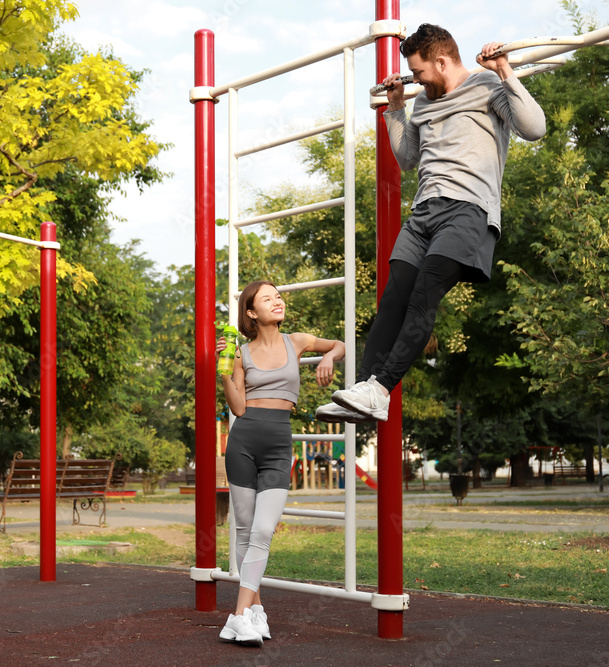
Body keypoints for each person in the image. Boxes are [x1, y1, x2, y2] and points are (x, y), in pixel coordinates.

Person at [316, 23, 546, 424]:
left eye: (420, 72)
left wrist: (505, 70)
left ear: (442, 61)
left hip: (468, 210)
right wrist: (396, 107)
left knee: (424, 296)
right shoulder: (422, 102)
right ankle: (362, 388)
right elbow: (407, 159)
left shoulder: (487, 87)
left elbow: (535, 129)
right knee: (393, 299)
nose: (416, 79)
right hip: (423, 213)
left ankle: (381, 389)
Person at [215, 280, 345, 645]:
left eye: (278, 296)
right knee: (244, 531)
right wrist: (223, 368)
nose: (277, 301)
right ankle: (253, 611)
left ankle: (237, 616)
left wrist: (329, 356)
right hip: (242, 442)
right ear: (252, 313)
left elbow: (341, 344)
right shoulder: (241, 353)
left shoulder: (298, 341)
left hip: (277, 444)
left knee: (262, 530)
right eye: (267, 298)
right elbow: (238, 408)